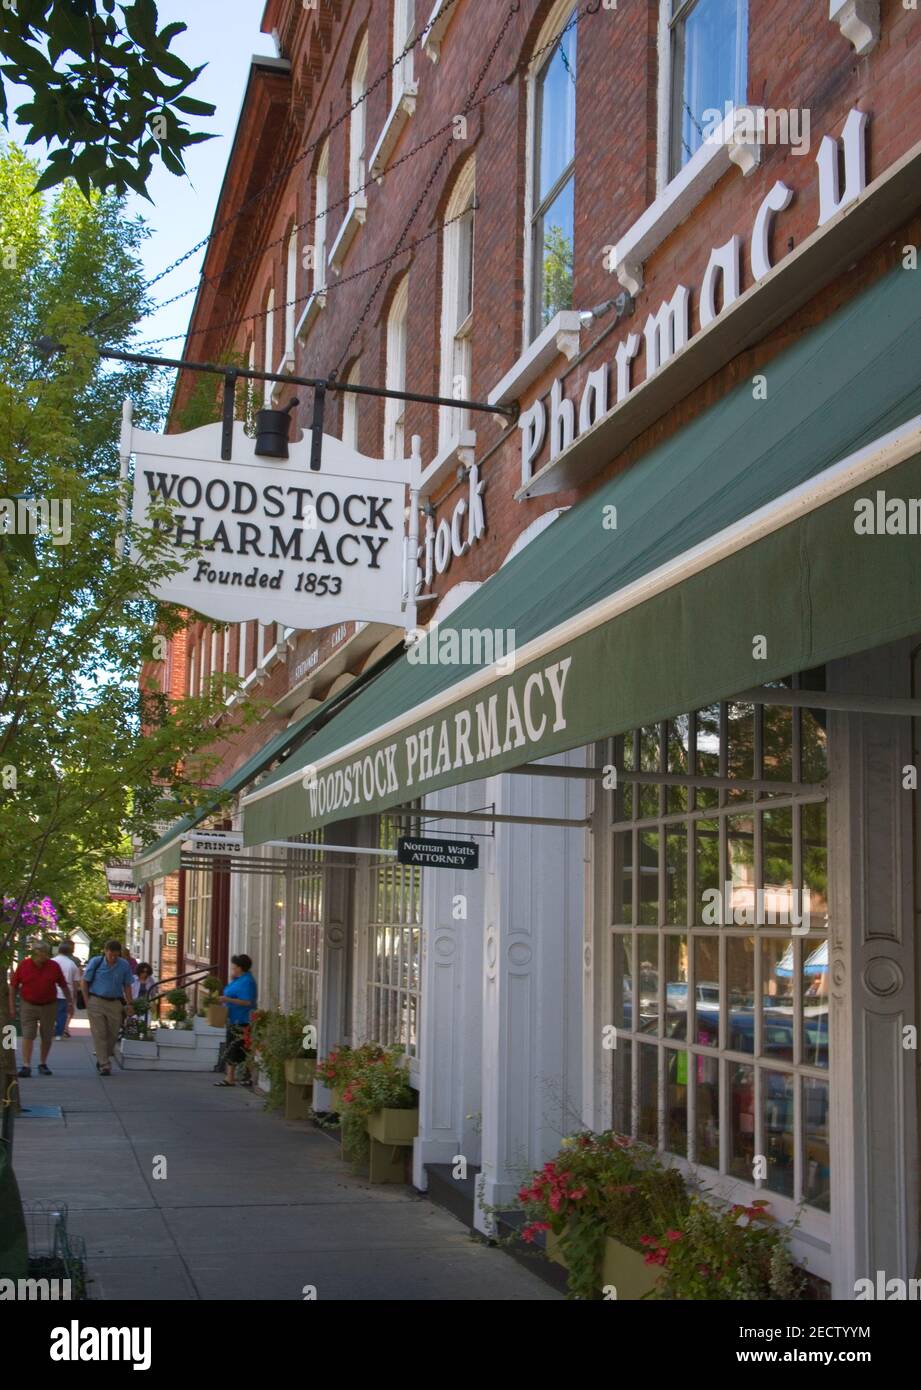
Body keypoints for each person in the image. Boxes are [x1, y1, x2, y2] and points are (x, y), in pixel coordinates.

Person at [9, 941, 73, 1077]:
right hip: (29, 1004)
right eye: (39, 954)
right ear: (34, 954)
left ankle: (43, 1063)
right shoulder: (24, 965)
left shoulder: (53, 966)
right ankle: (26, 1065)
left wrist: (70, 1002)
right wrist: (12, 1006)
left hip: (48, 1005)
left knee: (47, 1035)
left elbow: (63, 985)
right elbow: (14, 986)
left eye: (44, 954)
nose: (42, 957)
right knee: (28, 1034)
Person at [82, 940, 134, 1076]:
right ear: (105, 951)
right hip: (96, 1000)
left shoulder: (124, 965)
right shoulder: (96, 962)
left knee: (113, 1033)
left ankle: (102, 1057)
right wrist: (87, 1001)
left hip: (115, 1002)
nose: (113, 958)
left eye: (116, 956)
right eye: (110, 955)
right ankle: (104, 1064)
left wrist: (129, 1004)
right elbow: (84, 981)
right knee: (99, 1033)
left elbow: (127, 985)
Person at [214, 954, 257, 1088]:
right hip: (234, 1018)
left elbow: (247, 1001)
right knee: (237, 1048)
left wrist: (228, 1000)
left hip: (242, 1020)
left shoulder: (247, 982)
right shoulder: (239, 979)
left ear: (241, 967)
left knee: (237, 1048)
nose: (233, 968)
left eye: (235, 966)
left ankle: (231, 1077)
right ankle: (240, 1076)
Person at [53, 940, 81, 1040]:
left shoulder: (52, 961)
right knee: (62, 1013)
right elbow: (75, 982)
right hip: (65, 993)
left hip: (51, 992)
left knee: (51, 1012)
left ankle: (51, 1029)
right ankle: (58, 1033)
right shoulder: (72, 964)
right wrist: (74, 996)